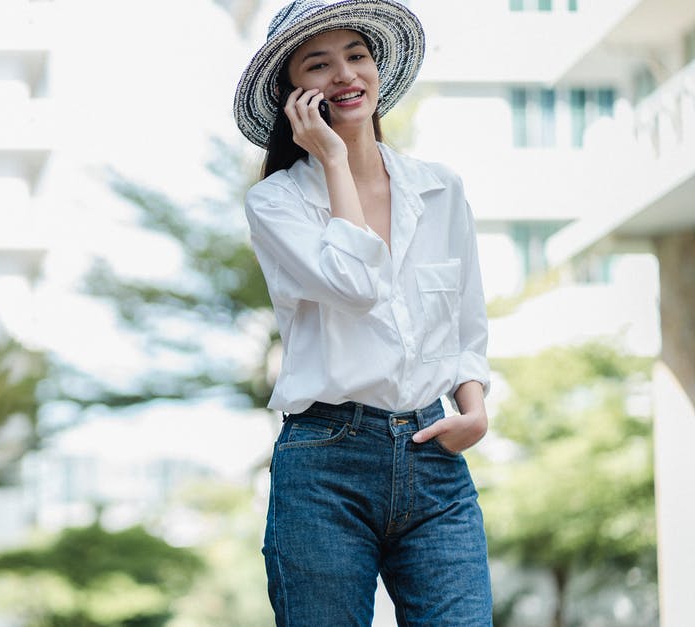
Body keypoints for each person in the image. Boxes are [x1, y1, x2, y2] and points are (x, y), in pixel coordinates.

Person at [232, 0, 493, 625]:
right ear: (294, 95)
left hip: (434, 456)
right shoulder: (276, 203)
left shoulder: (439, 188)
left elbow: (465, 321)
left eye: (357, 56)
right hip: (325, 461)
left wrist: (475, 408)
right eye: (318, 64)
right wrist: (332, 158)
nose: (346, 75)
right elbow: (355, 281)